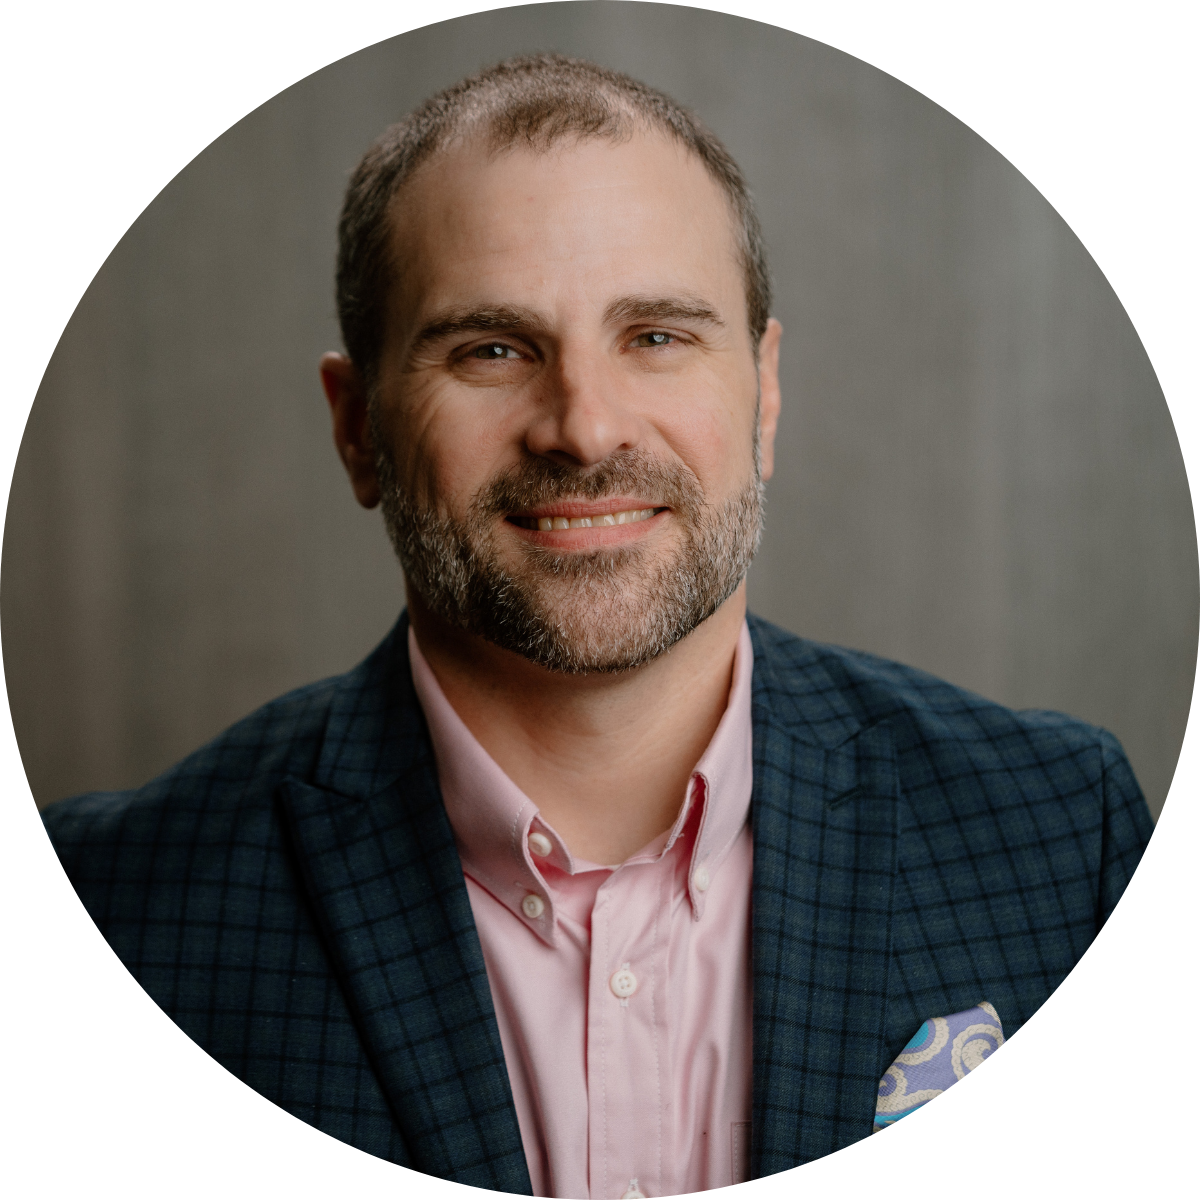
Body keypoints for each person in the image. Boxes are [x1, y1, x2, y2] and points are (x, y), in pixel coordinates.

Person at [42, 53, 1155, 1198]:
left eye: (658, 336)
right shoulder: (110, 910)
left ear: (763, 396)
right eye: (491, 349)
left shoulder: (1060, 834)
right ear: (359, 428)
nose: (582, 427)